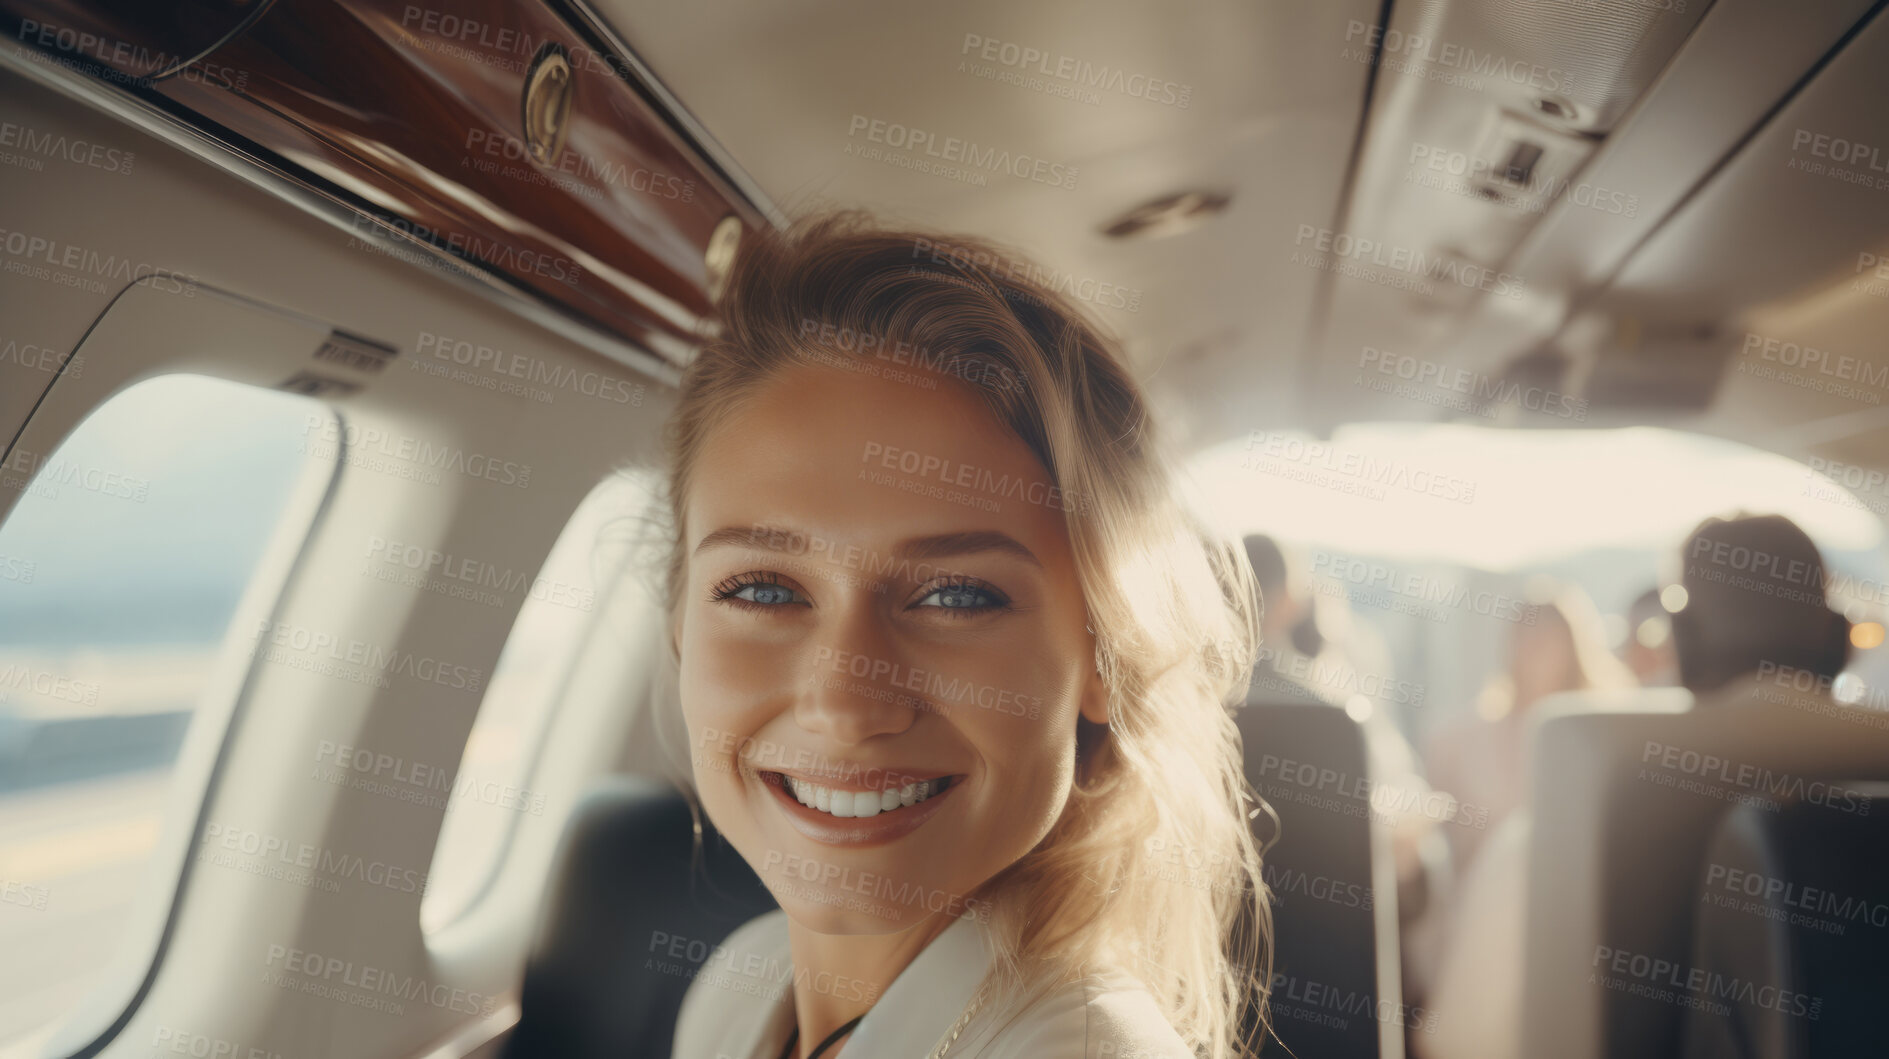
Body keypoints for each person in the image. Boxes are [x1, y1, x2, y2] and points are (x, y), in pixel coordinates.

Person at [663, 213, 1271, 1058]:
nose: (844, 701)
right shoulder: (735, 987)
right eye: (763, 588)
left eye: (956, 595)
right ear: (679, 626)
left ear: (1103, 652)